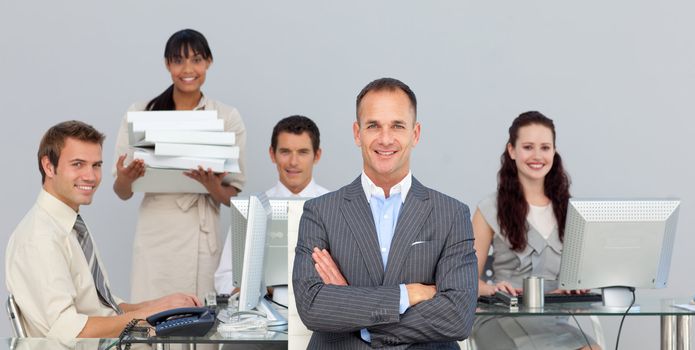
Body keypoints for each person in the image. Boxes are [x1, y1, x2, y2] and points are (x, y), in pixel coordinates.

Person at [292, 78, 477, 349]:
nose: (385, 138)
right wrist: (408, 294)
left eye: (398, 126)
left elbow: (457, 316)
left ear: (415, 134)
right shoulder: (319, 212)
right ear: (357, 133)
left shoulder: (452, 214)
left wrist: (354, 309)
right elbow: (313, 306)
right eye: (373, 126)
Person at [5, 120, 200, 339]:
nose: (91, 176)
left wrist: (159, 306)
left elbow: (102, 306)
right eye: (78, 164)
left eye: (96, 165)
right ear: (49, 166)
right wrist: (148, 313)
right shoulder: (40, 238)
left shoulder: (70, 225)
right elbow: (69, 330)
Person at [113, 29, 246, 302]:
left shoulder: (226, 117)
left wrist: (211, 186)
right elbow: (122, 191)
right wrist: (127, 177)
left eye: (196, 60)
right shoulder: (141, 113)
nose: (188, 69)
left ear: (208, 62)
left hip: (201, 235)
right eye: (178, 61)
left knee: (199, 321)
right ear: (167, 64)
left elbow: (232, 197)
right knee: (152, 319)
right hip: (155, 236)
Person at [471, 111, 599, 349]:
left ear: (554, 152)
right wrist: (492, 288)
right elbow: (464, 278)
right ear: (512, 151)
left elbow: (579, 275)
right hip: (501, 319)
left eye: (545, 147)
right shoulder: (489, 209)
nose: (537, 156)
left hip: (553, 322)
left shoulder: (572, 211)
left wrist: (574, 287)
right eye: (528, 147)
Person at [214, 115, 329, 296]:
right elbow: (224, 279)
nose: (293, 162)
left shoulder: (335, 207)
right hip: (264, 317)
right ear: (272, 154)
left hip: (321, 316)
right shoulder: (250, 210)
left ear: (317, 155)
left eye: (302, 152)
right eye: (285, 151)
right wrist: (260, 288)